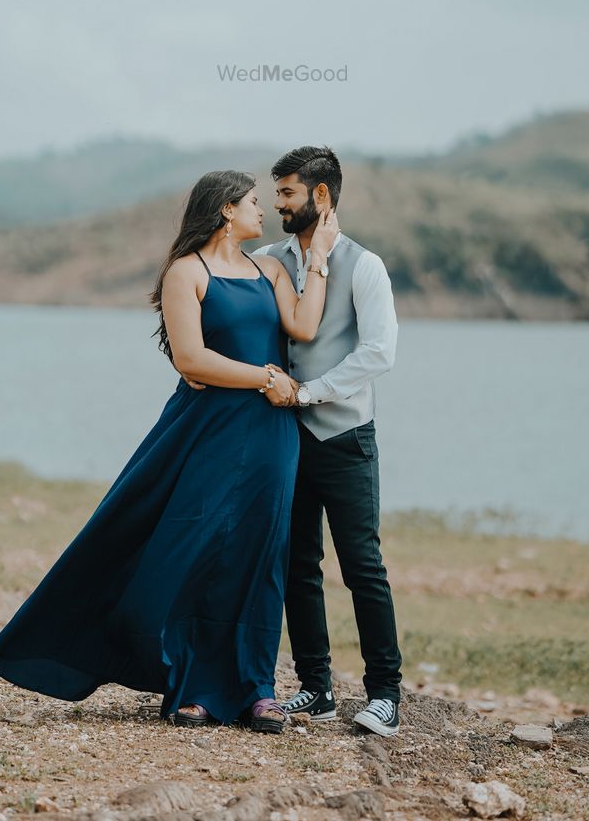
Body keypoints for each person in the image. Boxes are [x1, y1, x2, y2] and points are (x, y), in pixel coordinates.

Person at [0, 169, 339, 732]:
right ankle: (194, 685)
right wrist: (265, 377)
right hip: (207, 428)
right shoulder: (186, 273)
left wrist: (317, 256)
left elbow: (304, 324)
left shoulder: (268, 269)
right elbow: (191, 359)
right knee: (194, 545)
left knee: (260, 554)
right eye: (251, 202)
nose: (261, 211)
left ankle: (257, 688)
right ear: (224, 210)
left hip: (271, 436)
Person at [182, 147, 404, 737]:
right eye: (272, 195)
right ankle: (317, 687)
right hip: (281, 442)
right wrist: (191, 361)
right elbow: (227, 309)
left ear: (321, 196)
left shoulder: (365, 266)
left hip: (345, 436)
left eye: (286, 193)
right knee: (297, 565)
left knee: (363, 567)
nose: (277, 204)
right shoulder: (268, 261)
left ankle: (385, 693)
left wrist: (306, 395)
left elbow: (378, 353)